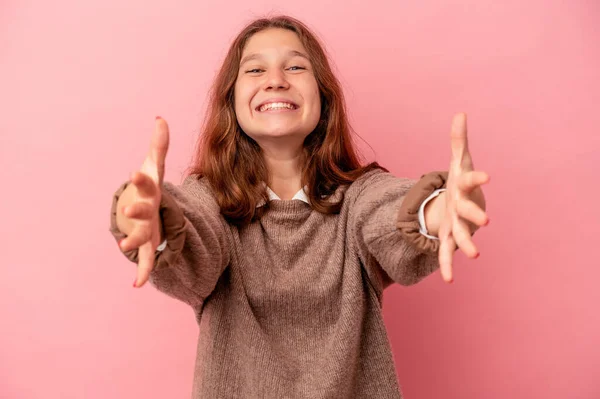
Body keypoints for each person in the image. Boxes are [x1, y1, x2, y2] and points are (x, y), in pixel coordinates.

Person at [109, 15, 489, 399]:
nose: (275, 79)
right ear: (231, 100)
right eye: (255, 69)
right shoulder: (211, 201)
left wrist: (438, 211)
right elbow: (188, 229)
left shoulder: (359, 196)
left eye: (294, 66)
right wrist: (143, 215)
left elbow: (391, 213)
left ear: (323, 96)